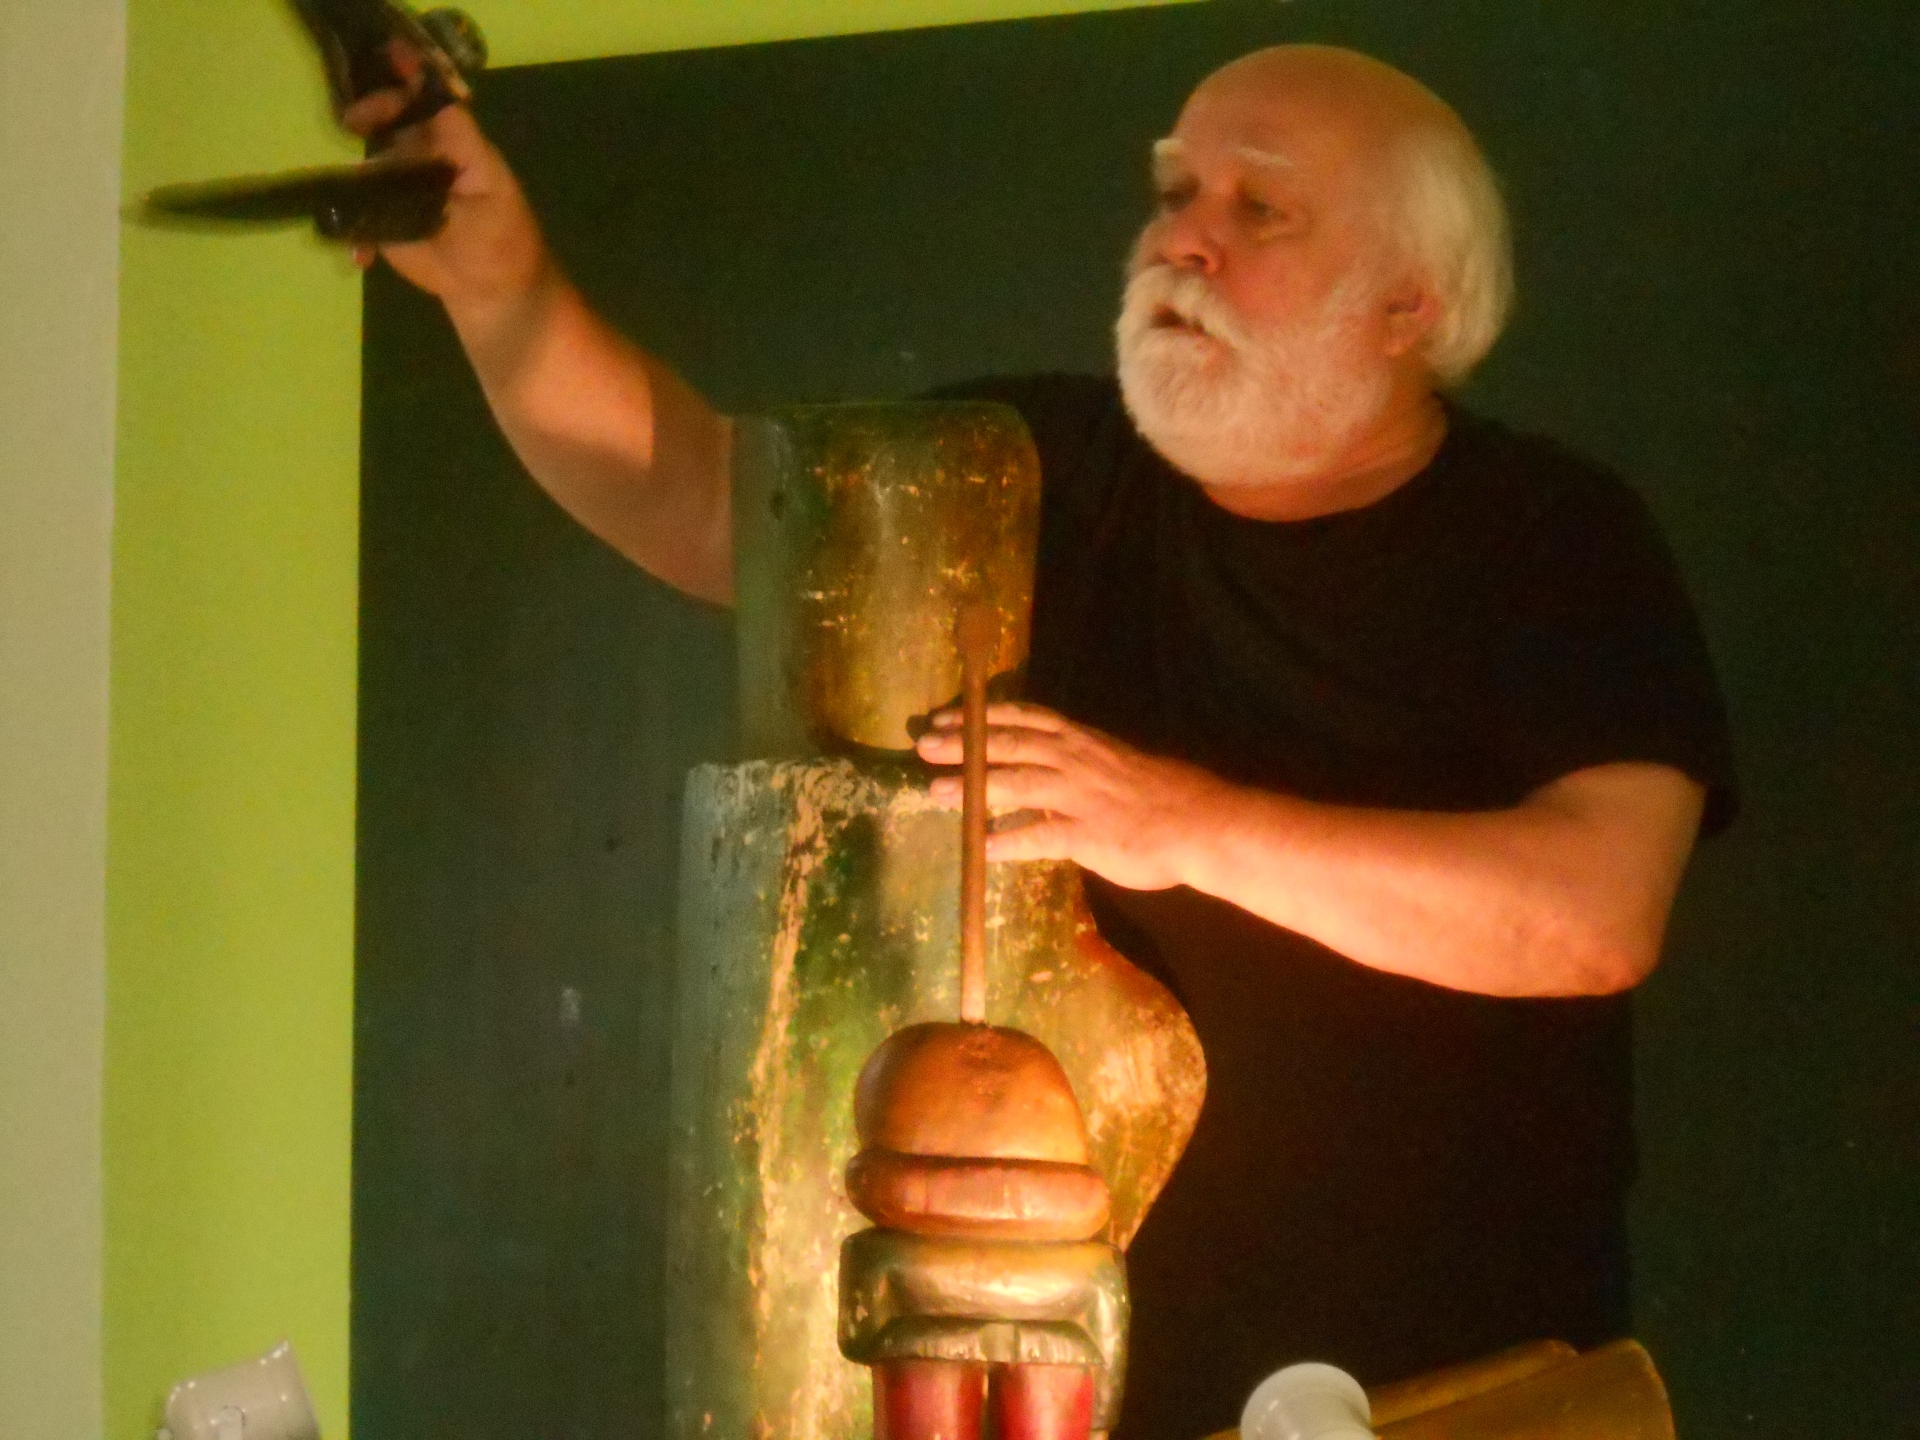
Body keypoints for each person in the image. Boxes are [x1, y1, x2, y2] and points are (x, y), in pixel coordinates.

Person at [352, 42, 1735, 1439]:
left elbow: (1592, 914)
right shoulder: (1042, 472)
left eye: (1260, 209)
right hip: (1094, 1390)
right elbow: (714, 504)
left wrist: (1178, 824)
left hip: (1466, 1392)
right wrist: (497, 286)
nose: (1182, 240)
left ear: (1407, 303)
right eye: (1175, 193)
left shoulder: (1555, 539)